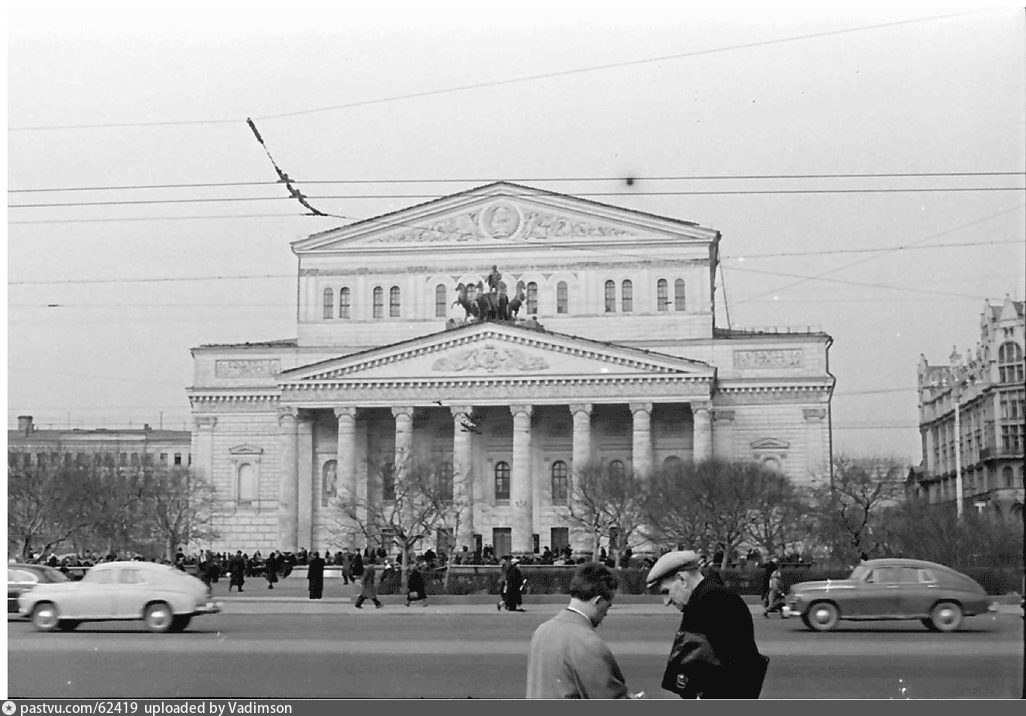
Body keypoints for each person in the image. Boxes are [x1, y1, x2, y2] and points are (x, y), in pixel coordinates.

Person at [646, 550, 769, 699]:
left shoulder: (711, 602)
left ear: (682, 579)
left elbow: (731, 669)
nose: (666, 602)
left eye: (666, 591)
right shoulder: (711, 599)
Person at [525, 562, 638, 699]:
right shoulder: (588, 643)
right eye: (607, 606)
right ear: (598, 601)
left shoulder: (541, 631)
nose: (606, 614)